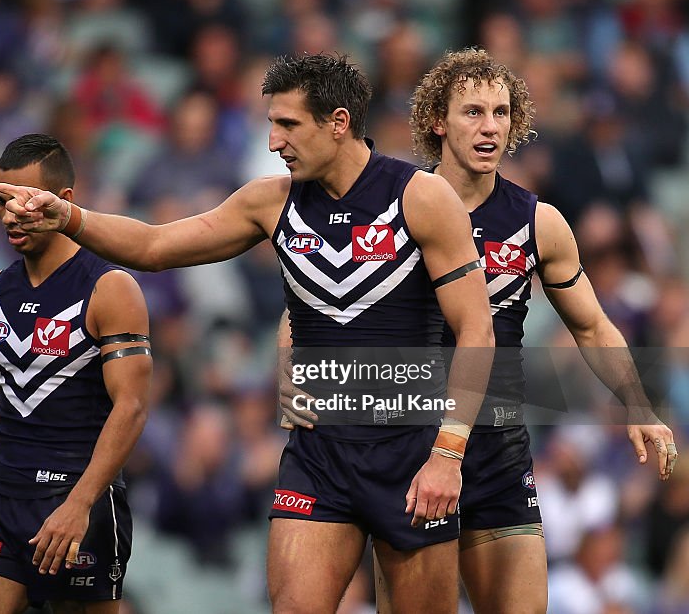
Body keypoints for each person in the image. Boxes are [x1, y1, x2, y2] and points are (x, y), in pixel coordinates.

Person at [0, 54, 495, 614]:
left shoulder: (420, 196)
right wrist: (70, 218)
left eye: (288, 124)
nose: (273, 141)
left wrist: (448, 454)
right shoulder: (268, 202)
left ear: (339, 122)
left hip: (411, 452)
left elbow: (476, 329)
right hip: (318, 455)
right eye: (271, 124)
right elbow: (155, 247)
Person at [286, 48, 679, 614]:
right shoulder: (392, 206)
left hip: (496, 451)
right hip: (409, 449)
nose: (489, 125)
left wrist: (637, 405)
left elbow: (593, 327)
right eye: (473, 111)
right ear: (437, 122)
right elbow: (314, 299)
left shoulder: (538, 223)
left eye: (500, 112)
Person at [0, 133, 152, 614]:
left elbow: (131, 407)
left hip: (74, 504)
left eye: (24, 201)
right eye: (1, 200)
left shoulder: (110, 288)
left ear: (63, 201)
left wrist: (80, 504)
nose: (9, 215)